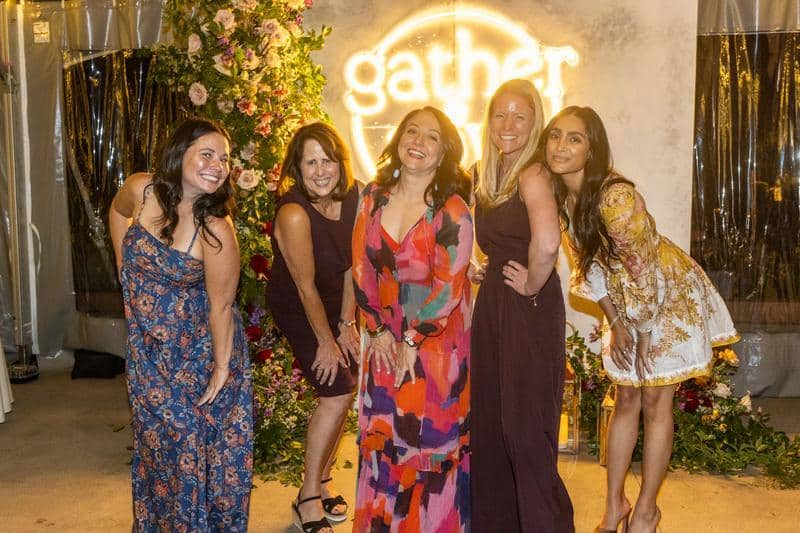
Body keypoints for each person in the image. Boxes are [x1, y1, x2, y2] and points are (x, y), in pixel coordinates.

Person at [543, 106, 738, 533]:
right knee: (625, 395)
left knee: (655, 399)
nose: (561, 146)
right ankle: (615, 506)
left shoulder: (614, 196)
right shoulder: (559, 196)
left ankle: (647, 510)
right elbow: (588, 266)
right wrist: (615, 321)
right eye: (555, 136)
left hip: (667, 293)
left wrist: (645, 329)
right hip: (627, 297)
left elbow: (643, 267)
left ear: (592, 148)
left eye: (574, 138)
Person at [109, 118, 253, 532]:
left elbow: (221, 307)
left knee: (191, 448)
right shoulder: (141, 189)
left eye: (224, 159)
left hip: (200, 356)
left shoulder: (215, 229)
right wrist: (125, 269)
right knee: (156, 449)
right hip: (147, 351)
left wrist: (222, 372)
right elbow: (117, 213)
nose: (217, 165)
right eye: (206, 154)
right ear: (179, 155)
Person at [351, 106, 473, 532]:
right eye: (411, 131)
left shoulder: (453, 210)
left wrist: (412, 340)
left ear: (445, 153)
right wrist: (378, 328)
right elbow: (362, 266)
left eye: (432, 137)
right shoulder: (373, 196)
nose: (418, 142)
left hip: (436, 347)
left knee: (428, 449)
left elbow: (449, 285)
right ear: (398, 139)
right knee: (382, 440)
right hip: (384, 340)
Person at [470, 79, 574, 532]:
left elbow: (548, 243)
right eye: (500, 114)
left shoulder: (533, 172)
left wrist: (532, 283)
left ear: (535, 123)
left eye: (520, 115)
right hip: (495, 302)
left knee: (523, 427)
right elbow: (498, 240)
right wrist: (486, 268)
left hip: (527, 309)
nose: (508, 124)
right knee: (491, 422)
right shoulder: (483, 172)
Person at [266, 122, 360, 533]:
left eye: (327, 160)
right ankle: (307, 495)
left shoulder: (355, 198)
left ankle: (322, 480)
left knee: (348, 383)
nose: (321, 170)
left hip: (335, 301)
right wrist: (325, 341)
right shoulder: (293, 212)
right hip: (297, 305)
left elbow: (350, 267)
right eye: (310, 163)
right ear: (297, 169)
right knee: (336, 390)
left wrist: (346, 324)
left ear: (340, 162)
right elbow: (304, 287)